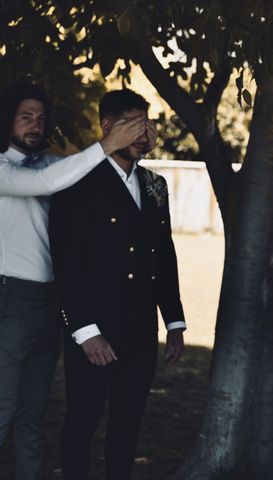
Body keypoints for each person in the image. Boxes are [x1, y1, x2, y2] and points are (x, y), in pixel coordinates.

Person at [0, 81, 147, 480]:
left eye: (41, 118)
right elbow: (50, 183)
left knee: (34, 415)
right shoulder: (3, 168)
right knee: (3, 408)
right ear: (7, 121)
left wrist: (129, 142)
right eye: (25, 117)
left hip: (52, 302)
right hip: (11, 298)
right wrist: (107, 142)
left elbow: (90, 178)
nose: (35, 124)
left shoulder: (52, 165)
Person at [48, 88, 186, 480]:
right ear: (107, 126)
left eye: (148, 125)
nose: (145, 134)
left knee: (127, 424)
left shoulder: (155, 185)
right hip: (94, 330)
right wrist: (85, 331)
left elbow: (164, 254)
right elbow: (66, 263)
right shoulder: (77, 182)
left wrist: (173, 321)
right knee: (83, 420)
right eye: (134, 125)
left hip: (141, 329)